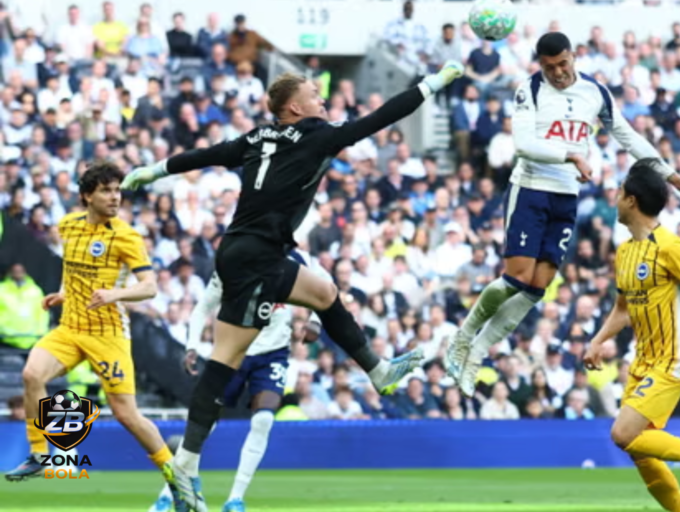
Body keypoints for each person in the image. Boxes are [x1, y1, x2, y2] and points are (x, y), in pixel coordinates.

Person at [121, 61, 464, 512]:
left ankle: (379, 371)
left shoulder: (257, 138)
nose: (322, 99)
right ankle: (183, 474)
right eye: (314, 95)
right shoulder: (317, 134)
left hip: (242, 250)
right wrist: (434, 83)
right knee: (223, 363)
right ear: (294, 107)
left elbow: (204, 154)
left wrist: (154, 169)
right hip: (259, 257)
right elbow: (381, 118)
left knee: (322, 293)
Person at [444, 32, 680, 397]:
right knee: (517, 276)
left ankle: (477, 354)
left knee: (537, 288)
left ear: (574, 56)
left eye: (563, 64)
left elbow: (628, 136)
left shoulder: (595, 93)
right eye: (549, 67)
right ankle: (463, 338)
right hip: (531, 188)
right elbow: (524, 145)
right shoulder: (529, 89)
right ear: (540, 64)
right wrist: (571, 155)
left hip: (566, 195)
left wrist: (672, 177)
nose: (558, 73)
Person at [4, 163, 185, 510]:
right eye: (106, 190)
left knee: (127, 415)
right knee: (31, 375)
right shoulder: (68, 226)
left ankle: (177, 477)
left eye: (117, 190)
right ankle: (40, 455)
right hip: (71, 328)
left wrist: (114, 295)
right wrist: (62, 293)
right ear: (87, 195)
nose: (115, 197)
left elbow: (149, 288)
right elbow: (72, 270)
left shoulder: (127, 236)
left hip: (109, 333)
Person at [584, 159, 680, 511]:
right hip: (643, 359)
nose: (615, 196)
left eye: (620, 191)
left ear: (632, 201)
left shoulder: (671, 247)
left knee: (623, 434)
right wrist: (597, 340)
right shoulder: (624, 252)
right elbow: (623, 309)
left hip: (676, 356)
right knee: (639, 449)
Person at [150, 249, 326, 512]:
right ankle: (169, 493)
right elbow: (204, 307)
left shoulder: (296, 258)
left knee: (264, 420)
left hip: (272, 355)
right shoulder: (233, 260)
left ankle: (235, 500)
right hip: (232, 351)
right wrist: (192, 346)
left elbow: (325, 286)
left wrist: (315, 320)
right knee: (204, 423)